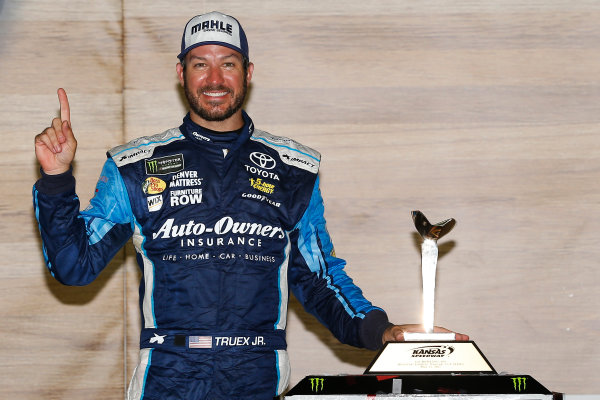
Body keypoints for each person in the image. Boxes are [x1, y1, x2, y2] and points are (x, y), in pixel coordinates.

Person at [33, 11, 468, 400]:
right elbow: (74, 266)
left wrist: (382, 331)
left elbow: (318, 278)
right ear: (181, 73)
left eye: (228, 64)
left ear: (248, 72)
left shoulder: (294, 169)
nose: (215, 79)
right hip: (167, 380)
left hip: (258, 379)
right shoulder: (134, 166)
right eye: (201, 64)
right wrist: (56, 179)